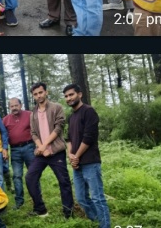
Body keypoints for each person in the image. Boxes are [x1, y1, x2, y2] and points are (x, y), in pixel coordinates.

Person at [64, 83, 111, 228]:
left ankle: (105, 225)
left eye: (71, 94)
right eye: (66, 96)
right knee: (81, 198)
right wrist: (70, 155)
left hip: (90, 162)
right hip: (76, 164)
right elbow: (68, 139)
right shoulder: (71, 117)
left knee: (97, 198)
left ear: (80, 94)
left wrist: (76, 156)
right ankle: (97, 220)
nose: (68, 98)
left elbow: (88, 138)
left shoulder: (89, 111)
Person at [26, 83, 74, 218]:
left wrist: (44, 146)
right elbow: (34, 133)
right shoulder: (33, 113)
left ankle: (68, 212)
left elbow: (58, 128)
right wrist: (40, 147)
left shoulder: (56, 107)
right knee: (30, 177)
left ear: (46, 92)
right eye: (35, 94)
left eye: (40, 92)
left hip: (56, 151)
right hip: (41, 154)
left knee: (63, 181)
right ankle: (40, 209)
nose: (38, 96)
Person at [3, 98, 35, 209]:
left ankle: (36, 198)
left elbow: (36, 130)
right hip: (15, 150)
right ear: (9, 108)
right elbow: (3, 136)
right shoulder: (5, 120)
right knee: (16, 176)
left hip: (29, 147)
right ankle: (19, 201)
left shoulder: (30, 115)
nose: (14, 108)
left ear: (20, 105)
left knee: (33, 174)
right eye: (12, 106)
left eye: (16, 105)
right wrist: (4, 149)